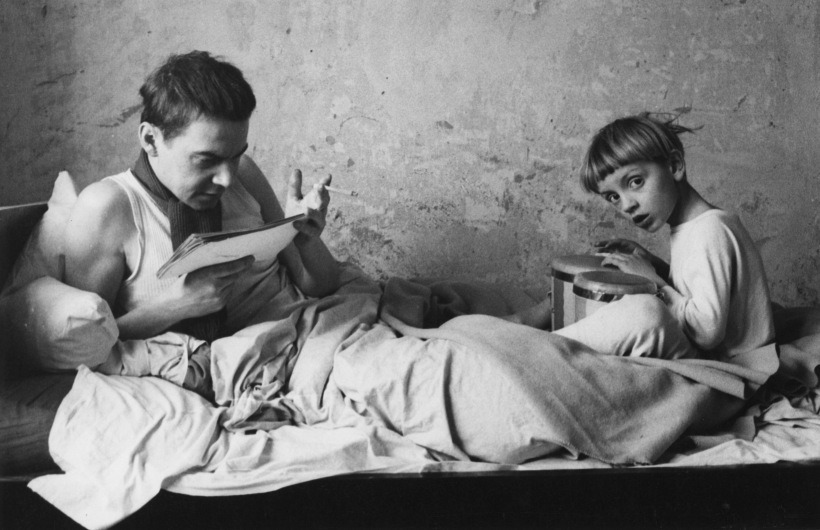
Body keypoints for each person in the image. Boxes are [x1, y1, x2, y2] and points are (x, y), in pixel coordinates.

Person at [63, 50, 341, 394]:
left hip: (312, 331)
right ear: (150, 139)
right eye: (206, 160)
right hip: (242, 364)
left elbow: (322, 285)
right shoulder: (106, 209)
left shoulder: (245, 175)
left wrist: (306, 239)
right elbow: (80, 347)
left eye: (235, 157)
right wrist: (174, 305)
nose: (226, 179)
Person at [562, 112, 774, 361]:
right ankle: (552, 345)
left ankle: (550, 346)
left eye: (635, 182)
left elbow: (706, 331)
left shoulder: (711, 229)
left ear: (674, 166)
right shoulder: (695, 226)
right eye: (613, 197)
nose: (627, 205)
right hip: (721, 359)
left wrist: (654, 283)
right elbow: (693, 292)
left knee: (643, 312)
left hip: (735, 366)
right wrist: (654, 265)